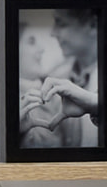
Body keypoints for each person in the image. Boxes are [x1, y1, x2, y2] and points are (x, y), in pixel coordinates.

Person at [16, 14, 101, 149]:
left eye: (61, 24)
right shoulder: (8, 104)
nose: (42, 49)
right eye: (31, 42)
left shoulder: (59, 89)